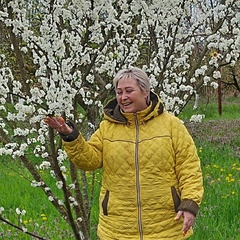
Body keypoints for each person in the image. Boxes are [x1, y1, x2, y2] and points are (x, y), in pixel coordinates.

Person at [44, 67, 204, 240]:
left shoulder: (172, 125)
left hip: (164, 226)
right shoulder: (107, 128)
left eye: (129, 91)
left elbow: (189, 168)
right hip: (118, 227)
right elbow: (88, 161)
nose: (123, 97)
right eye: (119, 92)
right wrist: (70, 135)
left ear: (145, 92)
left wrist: (189, 205)